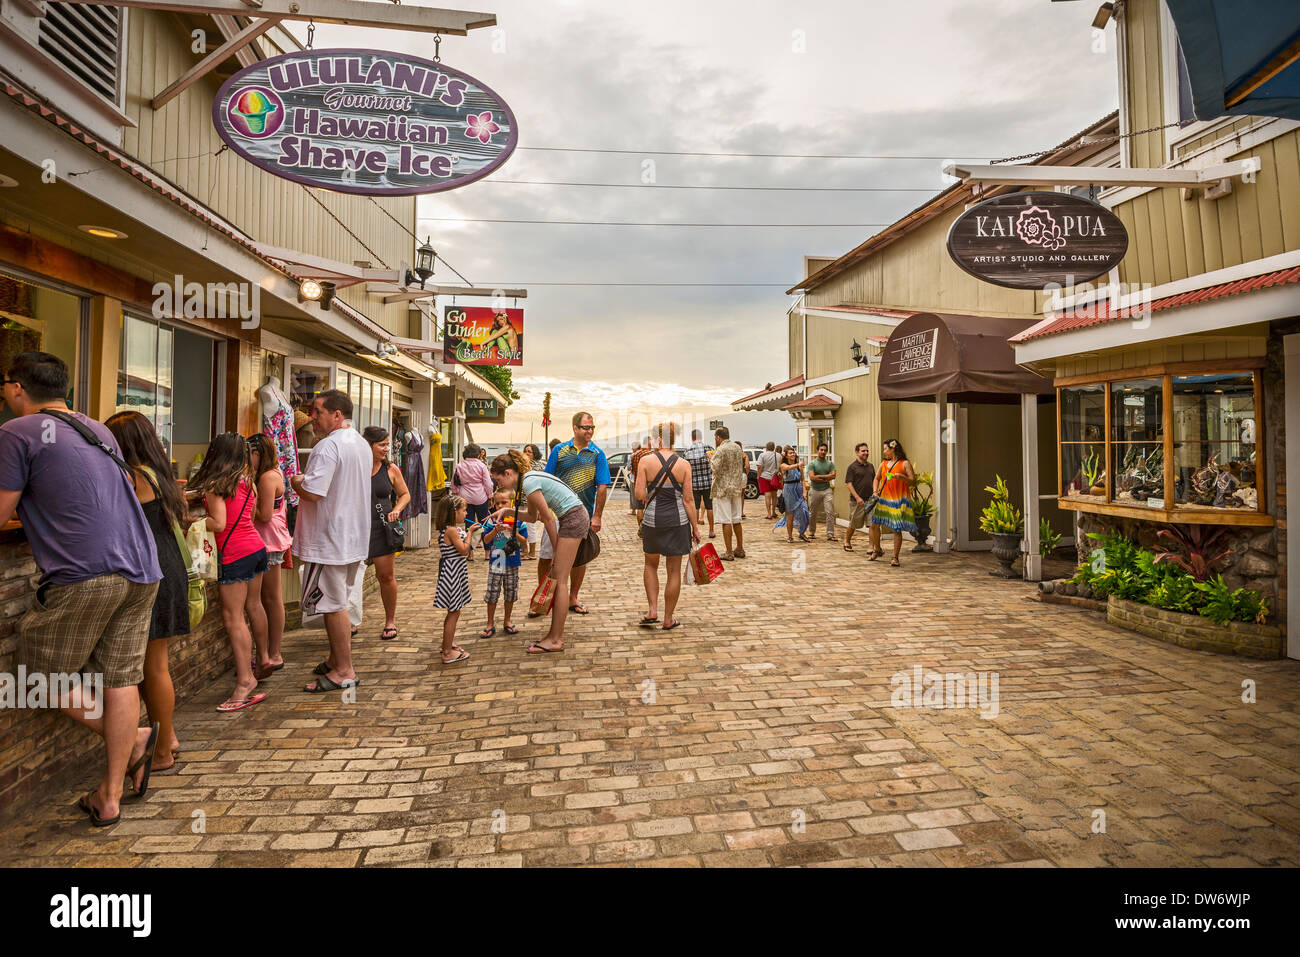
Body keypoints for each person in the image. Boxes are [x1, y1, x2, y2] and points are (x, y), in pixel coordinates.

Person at [0, 353, 163, 826]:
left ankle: (134, 740)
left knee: (35, 677)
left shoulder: (16, 433)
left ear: (16, 389)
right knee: (120, 677)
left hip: (87, 573)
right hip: (142, 568)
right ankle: (108, 797)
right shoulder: (98, 428)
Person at [105, 411, 191, 772]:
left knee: (153, 667)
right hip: (167, 567)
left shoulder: (133, 476)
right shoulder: (161, 476)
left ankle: (162, 752)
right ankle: (166, 739)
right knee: (153, 665)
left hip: (150, 571)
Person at [290, 390, 372, 693]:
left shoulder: (328, 446)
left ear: (337, 415)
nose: (313, 417)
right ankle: (336, 658)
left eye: (318, 411)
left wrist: (296, 481)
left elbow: (313, 492)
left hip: (329, 539)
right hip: (351, 536)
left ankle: (344, 670)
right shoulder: (360, 444)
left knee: (332, 605)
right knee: (337, 600)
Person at [190, 433, 269, 713]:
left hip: (235, 554)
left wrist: (192, 519)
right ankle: (262, 661)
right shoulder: (248, 483)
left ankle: (245, 681)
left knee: (233, 618)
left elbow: (220, 523)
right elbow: (246, 516)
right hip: (256, 549)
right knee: (251, 609)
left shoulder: (216, 484)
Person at [490, 449, 590, 654]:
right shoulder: (528, 481)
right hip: (573, 516)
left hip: (573, 518)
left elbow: (548, 519)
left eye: (498, 479)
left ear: (508, 473)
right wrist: (507, 511)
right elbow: (533, 516)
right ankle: (553, 634)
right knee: (558, 579)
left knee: (560, 580)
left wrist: (555, 551)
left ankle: (555, 639)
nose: (497, 484)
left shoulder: (528, 483)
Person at [543, 412, 610, 616]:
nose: (589, 431)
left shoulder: (597, 454)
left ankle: (572, 597)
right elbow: (546, 479)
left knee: (580, 559)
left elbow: (602, 486)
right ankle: (544, 598)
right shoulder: (559, 450)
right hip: (556, 514)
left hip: (583, 515)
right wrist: (543, 509)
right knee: (547, 556)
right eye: (585, 427)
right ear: (575, 428)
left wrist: (597, 516)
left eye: (592, 427)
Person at [635, 422, 699, 631]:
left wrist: (650, 494)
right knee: (674, 570)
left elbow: (638, 495)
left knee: (650, 564)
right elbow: (689, 500)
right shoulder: (684, 464)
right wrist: (696, 528)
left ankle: (652, 609)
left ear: (659, 439)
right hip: (678, 521)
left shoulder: (645, 461)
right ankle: (668, 618)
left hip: (653, 520)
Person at [364, 426, 411, 641]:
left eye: (387, 445)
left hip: (383, 527)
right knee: (350, 579)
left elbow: (404, 495)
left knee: (385, 576)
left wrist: (396, 510)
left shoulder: (391, 469)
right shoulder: (357, 467)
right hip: (357, 527)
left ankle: (390, 620)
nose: (386, 449)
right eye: (381, 445)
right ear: (369, 444)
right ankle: (351, 621)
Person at [248, 433, 289, 677]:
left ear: (258, 453)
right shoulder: (273, 473)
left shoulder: (266, 477)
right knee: (269, 599)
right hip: (272, 538)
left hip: (269, 540)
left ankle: (273, 654)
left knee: (271, 598)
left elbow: (263, 515)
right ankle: (271, 653)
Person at [479, 489, 528, 638]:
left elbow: (525, 542)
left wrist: (514, 532)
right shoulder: (492, 520)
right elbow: (486, 540)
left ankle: (507, 620)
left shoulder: (519, 520)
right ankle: (490, 623)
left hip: (512, 561)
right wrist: (495, 531)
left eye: (504, 502)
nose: (500, 506)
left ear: (512, 503)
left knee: (510, 591)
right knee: (493, 592)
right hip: (496, 559)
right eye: (497, 503)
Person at [433, 494, 474, 664]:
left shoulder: (449, 530)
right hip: (453, 574)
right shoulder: (450, 530)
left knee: (453, 611)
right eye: (463, 510)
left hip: (454, 571)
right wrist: (470, 533)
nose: (466, 513)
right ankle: (448, 652)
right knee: (454, 612)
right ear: (454, 512)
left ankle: (446, 644)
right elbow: (464, 550)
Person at [870, 439, 917, 567]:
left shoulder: (904, 463)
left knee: (896, 529)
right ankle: (877, 549)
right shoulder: (884, 463)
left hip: (898, 500)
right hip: (883, 499)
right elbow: (877, 478)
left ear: (893, 449)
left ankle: (895, 557)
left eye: (885, 449)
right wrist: (875, 491)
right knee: (874, 525)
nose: (884, 451)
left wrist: (902, 477)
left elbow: (913, 481)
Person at [710, 426, 748, 561]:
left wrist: (710, 458)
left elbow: (715, 469)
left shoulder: (720, 449)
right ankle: (740, 548)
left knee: (726, 520)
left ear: (718, 437)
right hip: (736, 487)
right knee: (736, 519)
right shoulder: (737, 448)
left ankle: (729, 552)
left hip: (722, 489)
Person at [452, 444, 493, 561]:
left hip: (465, 497)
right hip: (481, 497)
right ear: (478, 454)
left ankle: (470, 553)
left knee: (468, 525)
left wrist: (455, 494)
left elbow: (454, 482)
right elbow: (488, 484)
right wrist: (490, 496)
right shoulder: (481, 465)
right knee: (484, 524)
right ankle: (487, 553)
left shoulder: (459, 465)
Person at [844, 442, 877, 553]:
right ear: (857, 452)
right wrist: (858, 498)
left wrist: (875, 493)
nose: (866, 453)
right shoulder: (852, 467)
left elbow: (874, 482)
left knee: (872, 524)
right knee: (853, 524)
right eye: (863, 451)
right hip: (857, 501)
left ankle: (871, 547)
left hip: (870, 500)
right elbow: (849, 484)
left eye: (867, 451)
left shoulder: (871, 466)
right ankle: (847, 541)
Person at [683, 429, 715, 539]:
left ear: (692, 437)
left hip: (694, 483)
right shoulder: (709, 448)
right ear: (701, 436)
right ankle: (711, 530)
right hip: (708, 482)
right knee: (709, 506)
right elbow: (715, 463)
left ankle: (694, 530)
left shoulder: (687, 450)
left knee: (695, 507)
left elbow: (685, 468)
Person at [779, 447, 811, 543]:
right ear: (786, 455)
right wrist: (798, 464)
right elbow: (788, 468)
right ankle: (790, 536)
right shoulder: (783, 465)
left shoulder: (798, 466)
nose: (792, 454)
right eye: (790, 453)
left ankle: (802, 533)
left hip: (799, 490)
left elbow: (802, 479)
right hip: (789, 491)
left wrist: (804, 491)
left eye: (793, 453)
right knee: (790, 515)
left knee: (804, 512)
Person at [807, 443, 838, 542]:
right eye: (821, 450)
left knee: (830, 512)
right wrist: (826, 477)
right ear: (817, 451)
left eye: (825, 450)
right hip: (815, 490)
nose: (823, 452)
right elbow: (812, 478)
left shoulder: (830, 464)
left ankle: (830, 534)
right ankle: (811, 532)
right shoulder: (812, 463)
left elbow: (833, 476)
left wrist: (820, 477)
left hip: (827, 490)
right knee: (812, 513)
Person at [522, 443, 546, 560]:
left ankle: (532, 551)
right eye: (525, 451)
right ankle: (523, 549)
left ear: (534, 454)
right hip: (520, 500)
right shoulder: (521, 465)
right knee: (519, 526)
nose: (526, 453)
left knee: (530, 526)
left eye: (529, 451)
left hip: (531, 500)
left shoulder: (538, 466)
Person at [629, 436, 652, 526]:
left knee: (640, 508)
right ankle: (647, 527)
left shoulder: (634, 455)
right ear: (649, 443)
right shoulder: (651, 455)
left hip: (638, 484)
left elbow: (632, 470)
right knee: (649, 507)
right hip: (649, 484)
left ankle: (640, 528)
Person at [757, 441, 780, 520]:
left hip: (764, 476)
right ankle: (774, 512)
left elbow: (759, 467)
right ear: (774, 447)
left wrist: (758, 476)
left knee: (767, 496)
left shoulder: (762, 455)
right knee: (774, 495)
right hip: (774, 477)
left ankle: (769, 513)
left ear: (766, 448)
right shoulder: (778, 455)